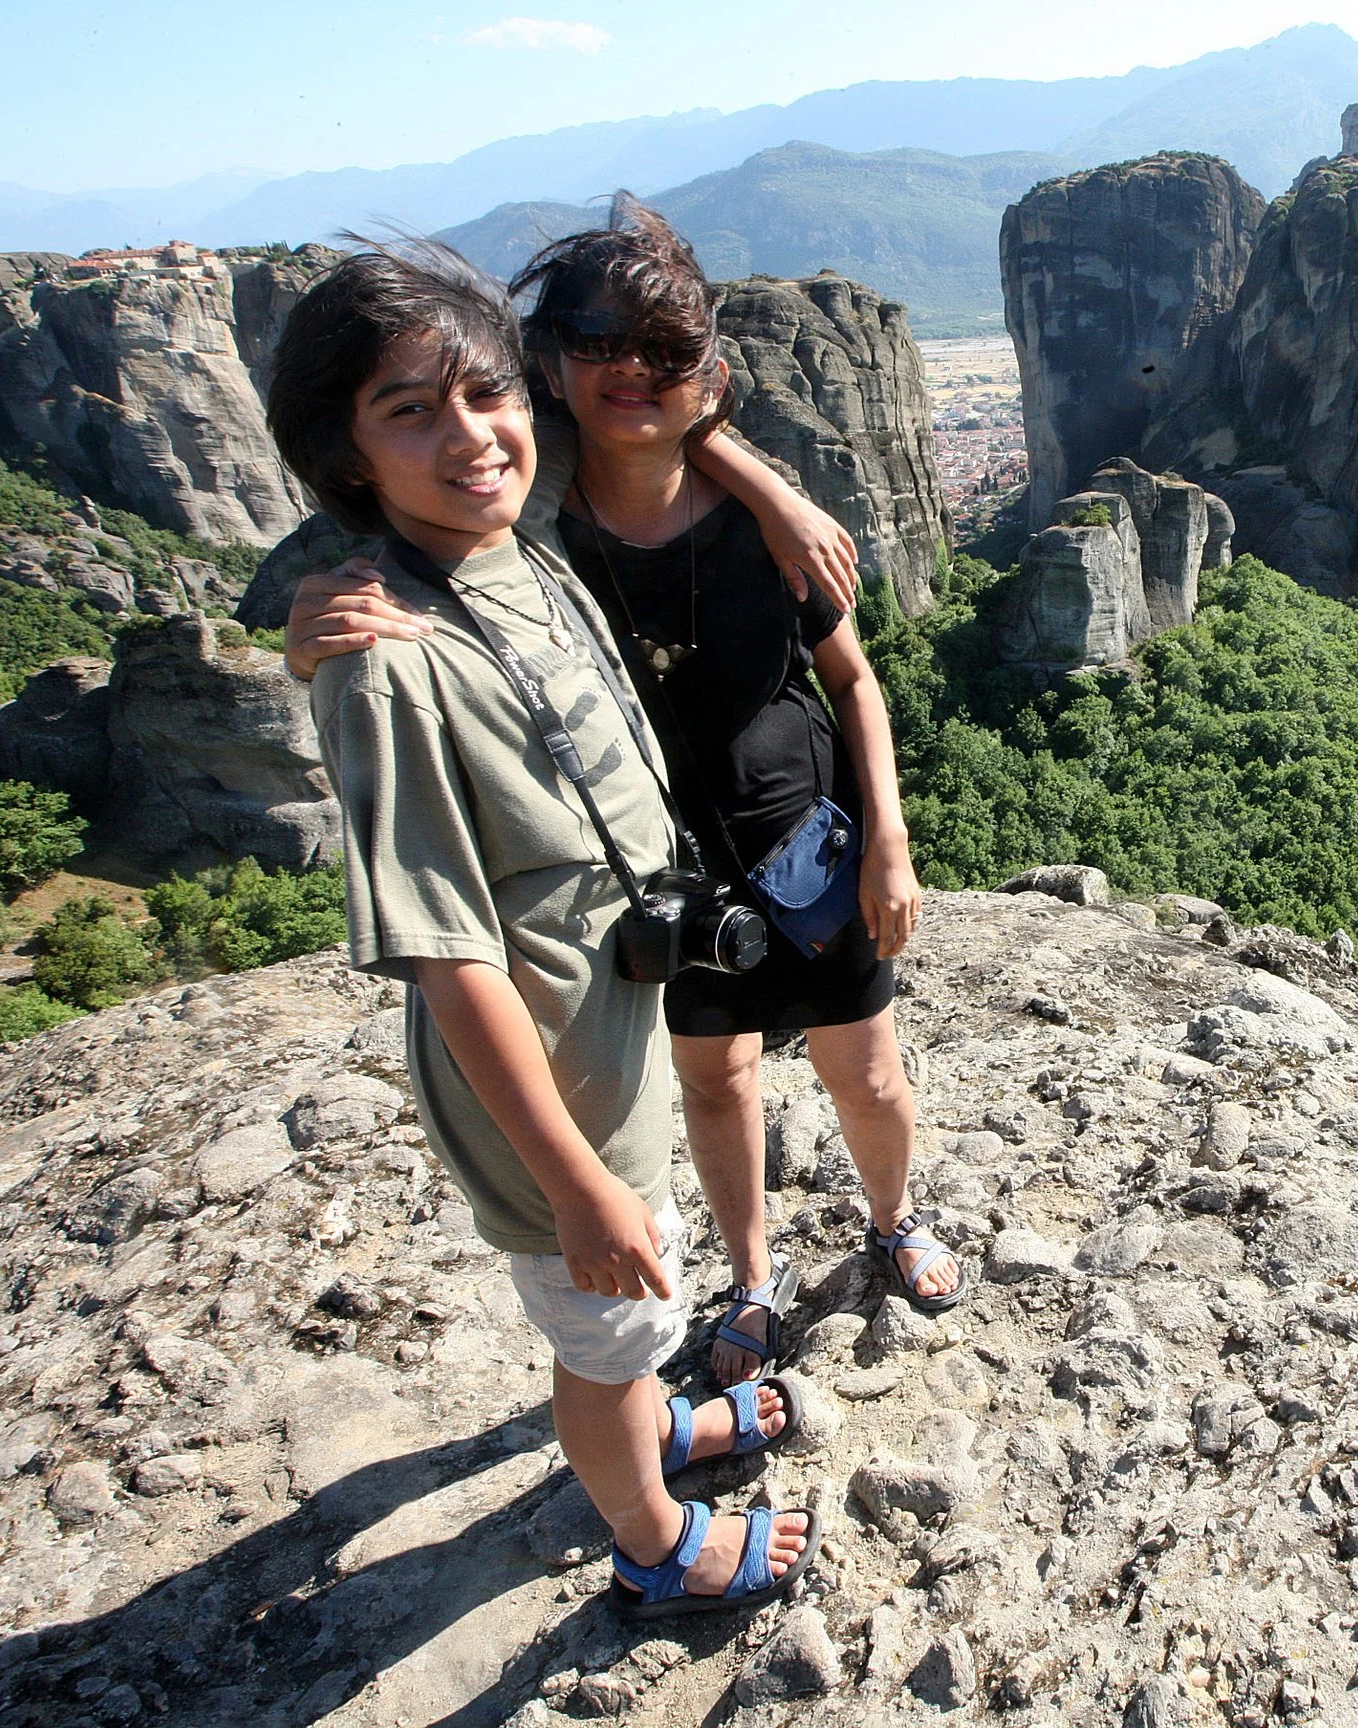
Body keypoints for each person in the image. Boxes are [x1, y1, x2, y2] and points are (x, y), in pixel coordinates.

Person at [283, 201, 965, 1386]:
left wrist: (888, 842)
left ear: (711, 371)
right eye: (599, 344)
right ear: (549, 367)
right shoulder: (532, 517)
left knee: (867, 1070)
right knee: (717, 1077)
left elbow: (853, 678)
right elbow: (420, 573)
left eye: (669, 350)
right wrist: (312, 635)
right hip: (661, 881)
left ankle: (892, 1220)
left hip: (809, 844)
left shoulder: (768, 532)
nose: (634, 369)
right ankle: (751, 1278)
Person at [267, 238, 815, 1617]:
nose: (469, 437)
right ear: (344, 458)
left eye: (485, 394)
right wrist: (573, 1184)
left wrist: (775, 493)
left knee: (630, 1317)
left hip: (609, 1037)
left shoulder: (512, 523)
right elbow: (448, 953)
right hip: (550, 1080)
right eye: (408, 411)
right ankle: (654, 1543)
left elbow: (647, 417)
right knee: (606, 1327)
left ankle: (654, 1424)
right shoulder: (390, 663)